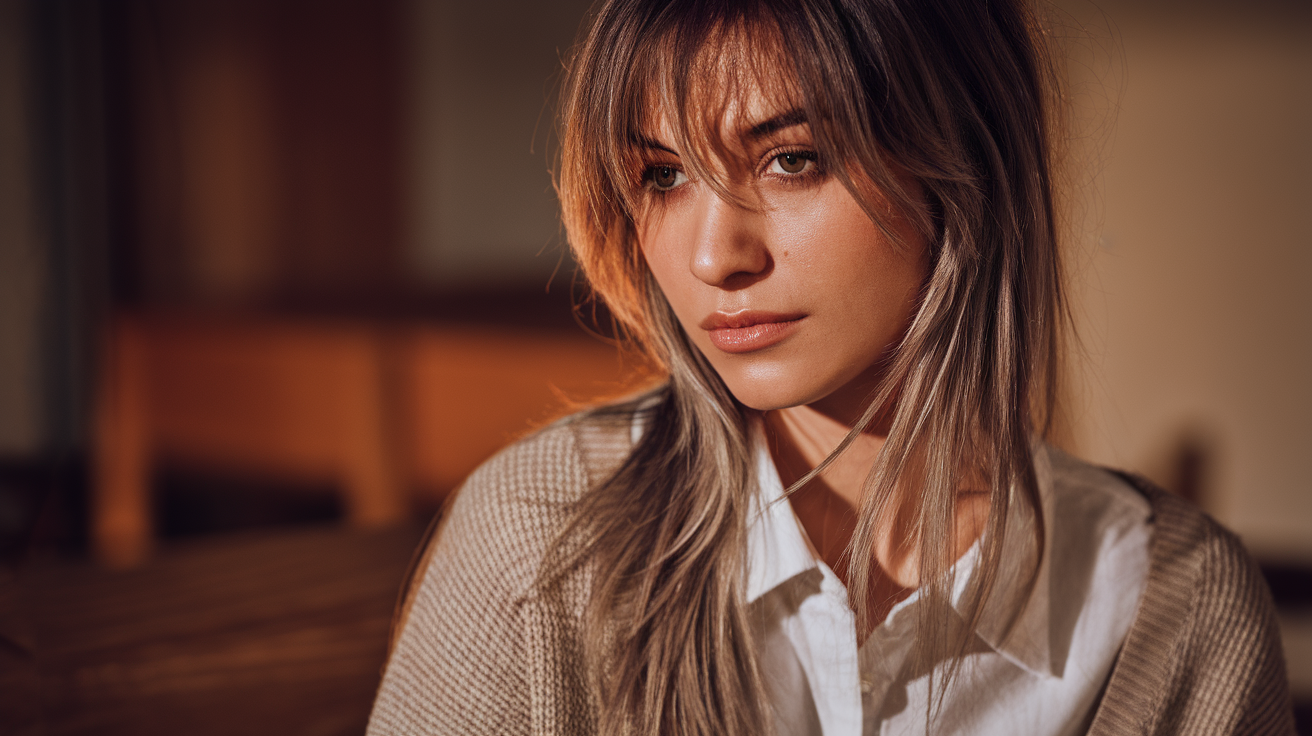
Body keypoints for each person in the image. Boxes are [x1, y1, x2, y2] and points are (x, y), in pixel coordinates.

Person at [367, 0, 1294, 733]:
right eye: (663, 175)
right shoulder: (540, 544)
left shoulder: (1180, 615)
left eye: (791, 160)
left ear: (961, 159)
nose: (713, 257)